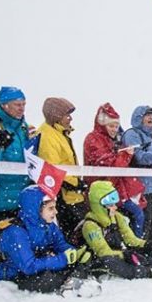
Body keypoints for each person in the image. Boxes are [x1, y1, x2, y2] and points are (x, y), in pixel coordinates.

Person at [0, 185, 91, 293]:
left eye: (55, 207)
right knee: (48, 279)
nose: (56, 212)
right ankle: (68, 280)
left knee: (79, 263)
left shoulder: (48, 225)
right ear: (36, 209)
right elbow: (29, 266)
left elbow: (60, 244)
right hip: (16, 274)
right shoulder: (16, 232)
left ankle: (70, 279)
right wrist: (63, 259)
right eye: (50, 208)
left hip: (40, 265)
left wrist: (73, 253)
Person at [82, 181, 152, 280]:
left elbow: (130, 239)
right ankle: (145, 272)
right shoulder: (90, 225)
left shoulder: (117, 217)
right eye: (110, 203)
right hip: (103, 259)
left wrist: (149, 245)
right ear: (99, 205)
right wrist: (124, 255)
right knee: (110, 262)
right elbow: (103, 252)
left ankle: (138, 269)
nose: (114, 206)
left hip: (119, 253)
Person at [83, 102, 145, 237]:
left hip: (113, 190)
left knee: (137, 214)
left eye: (116, 126)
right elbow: (109, 166)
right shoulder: (93, 139)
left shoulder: (110, 140)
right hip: (102, 192)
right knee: (135, 214)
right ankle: (133, 244)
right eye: (111, 126)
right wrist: (125, 155)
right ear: (102, 124)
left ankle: (134, 244)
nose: (114, 129)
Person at [34, 97, 89, 242]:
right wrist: (74, 183)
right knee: (74, 234)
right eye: (67, 115)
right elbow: (52, 167)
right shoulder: (47, 135)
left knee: (82, 230)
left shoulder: (60, 133)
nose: (70, 119)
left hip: (73, 195)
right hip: (64, 196)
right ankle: (75, 261)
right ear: (56, 116)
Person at [0, 86, 34, 228]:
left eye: (23, 104)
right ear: (4, 105)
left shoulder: (24, 128)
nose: (21, 108)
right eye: (17, 104)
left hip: (20, 196)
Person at [122, 106, 152, 245]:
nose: (151, 118)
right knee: (145, 216)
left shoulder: (151, 137)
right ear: (138, 118)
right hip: (143, 185)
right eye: (147, 115)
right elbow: (138, 156)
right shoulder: (132, 134)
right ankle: (142, 243)